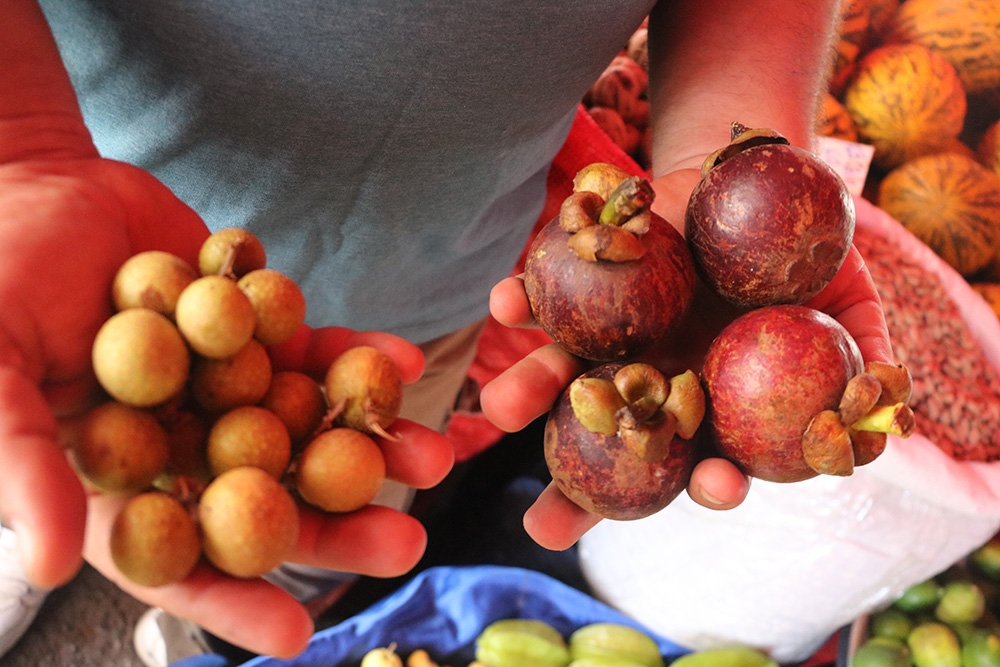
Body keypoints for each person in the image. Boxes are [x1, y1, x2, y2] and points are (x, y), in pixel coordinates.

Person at [0, 0, 895, 664]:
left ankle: (264, 612)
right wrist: (21, 145)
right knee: (40, 442)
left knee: (335, 521)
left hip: (444, 278)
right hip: (91, 220)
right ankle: (21, 528)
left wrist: (724, 168)